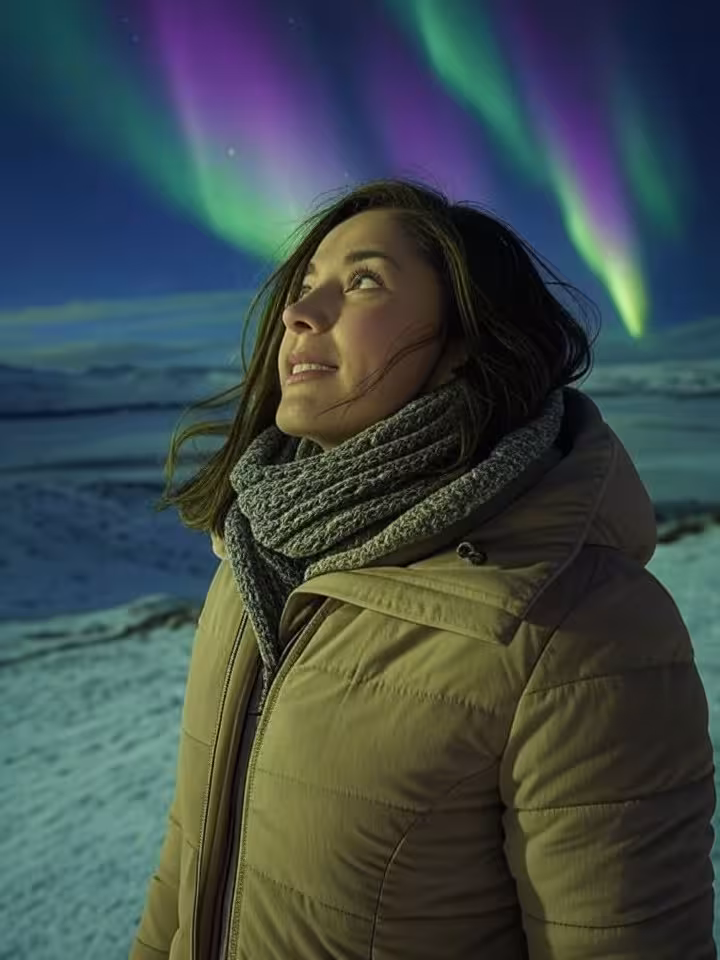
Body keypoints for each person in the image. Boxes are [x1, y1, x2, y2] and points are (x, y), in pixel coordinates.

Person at [130, 177, 716, 959]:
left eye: (363, 281)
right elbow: (189, 859)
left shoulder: (583, 628)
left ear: (464, 341)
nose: (300, 314)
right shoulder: (253, 556)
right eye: (303, 288)